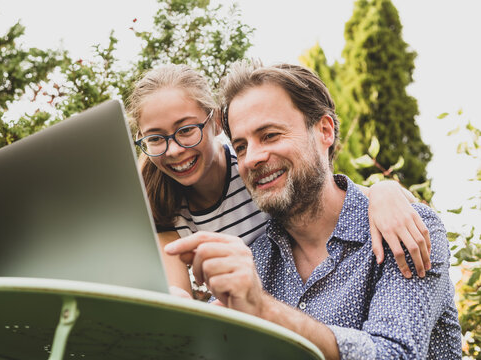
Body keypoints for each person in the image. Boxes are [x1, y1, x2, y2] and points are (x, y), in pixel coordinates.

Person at [164, 61, 462, 359]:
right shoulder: (255, 264)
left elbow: (395, 354)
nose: (252, 158)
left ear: (324, 130)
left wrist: (264, 309)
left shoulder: (405, 229)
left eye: (270, 135)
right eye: (240, 147)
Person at [127, 64, 431, 295]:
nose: (175, 149)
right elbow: (177, 296)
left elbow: (329, 190)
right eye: (155, 138)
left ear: (216, 122)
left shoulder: (253, 168)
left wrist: (384, 190)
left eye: (186, 130)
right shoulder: (161, 206)